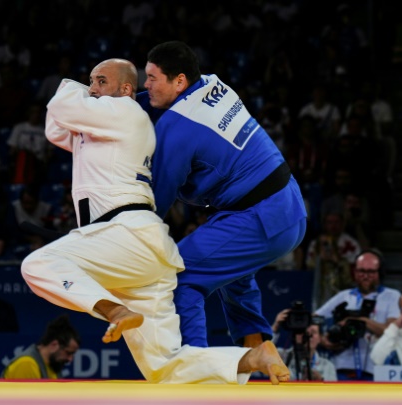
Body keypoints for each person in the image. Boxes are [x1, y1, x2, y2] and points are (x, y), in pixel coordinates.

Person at [21, 58, 290, 385]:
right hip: (138, 254)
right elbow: (55, 126)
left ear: (125, 90)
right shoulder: (99, 129)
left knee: (38, 264)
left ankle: (114, 310)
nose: (92, 89)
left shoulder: (125, 112)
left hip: (123, 233)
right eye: (89, 82)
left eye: (100, 81)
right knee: (165, 368)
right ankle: (253, 357)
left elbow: (62, 104)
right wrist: (88, 92)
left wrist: (75, 87)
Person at [141, 41, 307, 349]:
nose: (145, 85)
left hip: (261, 218)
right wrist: (118, 99)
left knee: (181, 274)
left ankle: (195, 367)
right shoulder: (213, 83)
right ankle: (256, 350)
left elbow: (157, 201)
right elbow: (154, 102)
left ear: (179, 81)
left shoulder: (175, 128)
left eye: (152, 78)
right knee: (232, 273)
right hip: (287, 204)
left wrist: (124, 233)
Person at [315, 249, 401, 380]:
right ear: (354, 272)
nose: (365, 276)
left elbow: (391, 330)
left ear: (380, 273)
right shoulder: (344, 296)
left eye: (371, 272)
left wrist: (357, 321)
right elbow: (314, 318)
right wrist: (322, 339)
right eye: (361, 271)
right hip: (341, 367)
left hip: (377, 369)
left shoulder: (392, 296)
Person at [1, 314, 81, 379]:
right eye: (68, 353)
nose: (70, 359)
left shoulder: (54, 367)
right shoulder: (27, 364)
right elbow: (24, 399)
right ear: (54, 345)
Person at [271, 308, 336, 381]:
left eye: (313, 332)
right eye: (304, 332)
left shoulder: (327, 366)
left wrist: (320, 380)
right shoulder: (281, 357)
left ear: (320, 338)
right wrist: (275, 326)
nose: (308, 336)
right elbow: (260, 353)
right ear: (295, 335)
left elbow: (334, 392)